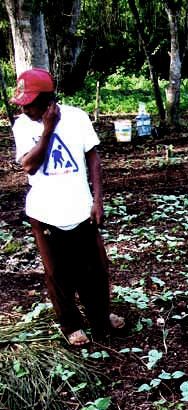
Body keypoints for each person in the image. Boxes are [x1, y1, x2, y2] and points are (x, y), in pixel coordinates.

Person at [10, 67, 124, 346]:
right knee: (58, 272)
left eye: (31, 103)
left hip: (81, 208)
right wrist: (47, 130)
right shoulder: (23, 126)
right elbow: (29, 165)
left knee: (95, 269)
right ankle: (71, 324)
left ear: (50, 100)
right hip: (45, 213)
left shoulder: (77, 118)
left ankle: (101, 313)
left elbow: (93, 158)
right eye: (22, 104)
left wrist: (97, 201)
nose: (25, 109)